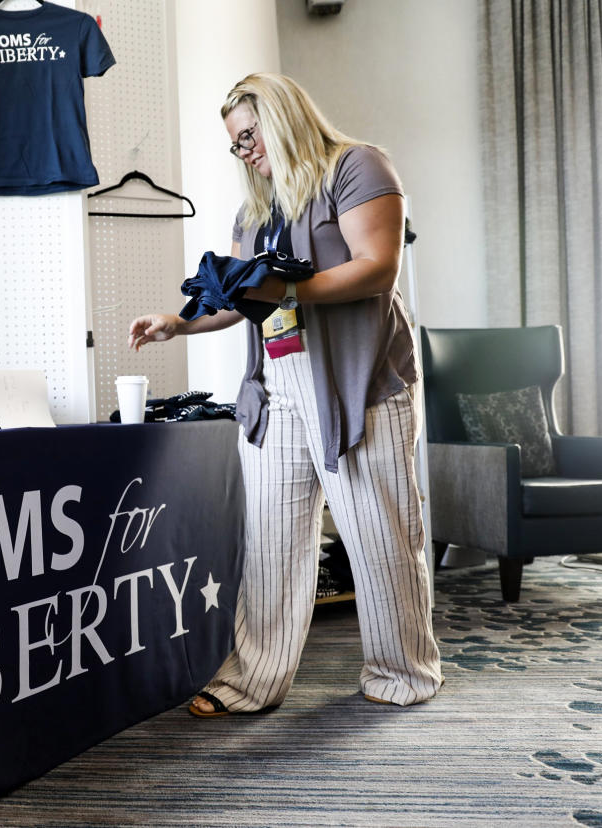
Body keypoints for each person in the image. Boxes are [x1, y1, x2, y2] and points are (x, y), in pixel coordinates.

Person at [128, 73, 442, 713]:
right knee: (272, 542)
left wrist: (287, 291)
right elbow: (244, 301)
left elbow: (377, 265)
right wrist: (181, 321)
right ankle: (253, 679)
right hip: (278, 389)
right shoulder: (257, 209)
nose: (245, 151)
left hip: (361, 386)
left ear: (282, 116)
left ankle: (403, 673)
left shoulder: (356, 166)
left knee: (380, 536)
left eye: (249, 135)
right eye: (235, 145)